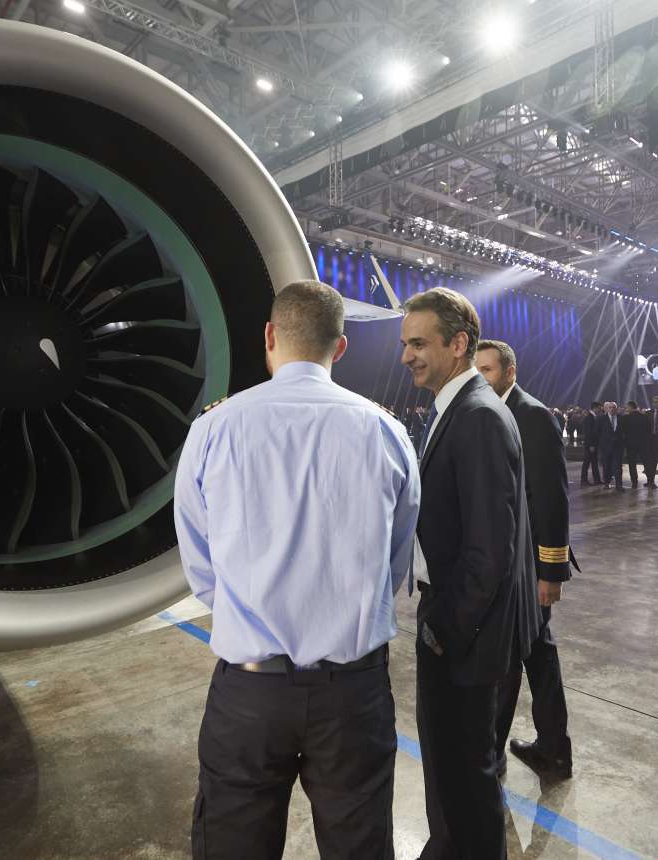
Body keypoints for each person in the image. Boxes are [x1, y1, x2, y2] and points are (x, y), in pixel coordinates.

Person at [174, 280, 420, 859]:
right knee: (359, 846)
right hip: (353, 692)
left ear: (269, 336)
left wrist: (249, 611)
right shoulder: (385, 430)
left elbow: (200, 564)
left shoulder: (214, 428)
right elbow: (396, 556)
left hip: (250, 692)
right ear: (341, 347)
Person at [401, 289, 539, 860]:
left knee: (467, 771)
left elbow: (489, 550)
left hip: (465, 628)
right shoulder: (455, 409)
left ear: (458, 344)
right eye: (405, 344)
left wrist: (447, 630)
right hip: (453, 616)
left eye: (418, 343)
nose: (406, 356)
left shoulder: (478, 416)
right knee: (449, 763)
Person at [474, 340, 578, 781]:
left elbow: (551, 499)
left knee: (508, 657)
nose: (480, 378)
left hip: (527, 567)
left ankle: (491, 755)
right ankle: (553, 749)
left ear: (510, 372)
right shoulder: (489, 412)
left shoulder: (531, 415)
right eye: (476, 370)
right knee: (537, 654)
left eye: (488, 370)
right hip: (506, 564)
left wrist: (550, 572)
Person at [597, 401, 625, 490]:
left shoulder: (621, 418)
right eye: (610, 407)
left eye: (613, 407)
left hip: (618, 447)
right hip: (605, 447)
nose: (612, 409)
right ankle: (607, 483)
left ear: (616, 409)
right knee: (606, 466)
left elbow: (625, 431)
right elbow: (597, 432)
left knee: (618, 466)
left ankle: (619, 485)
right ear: (607, 409)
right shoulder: (601, 419)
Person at [621, 401, 648, 490]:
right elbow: (647, 429)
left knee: (632, 464)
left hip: (630, 444)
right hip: (643, 443)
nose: (626, 409)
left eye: (627, 407)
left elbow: (623, 430)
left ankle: (634, 483)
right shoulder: (644, 417)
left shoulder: (625, 418)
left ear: (631, 407)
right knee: (646, 462)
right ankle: (650, 481)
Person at [581, 402, 603, 485]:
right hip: (590, 445)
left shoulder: (593, 417)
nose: (600, 410)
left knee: (594, 462)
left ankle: (597, 479)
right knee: (587, 463)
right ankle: (584, 480)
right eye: (599, 408)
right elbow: (588, 433)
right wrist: (591, 445)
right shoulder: (589, 418)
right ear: (595, 408)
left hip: (593, 444)